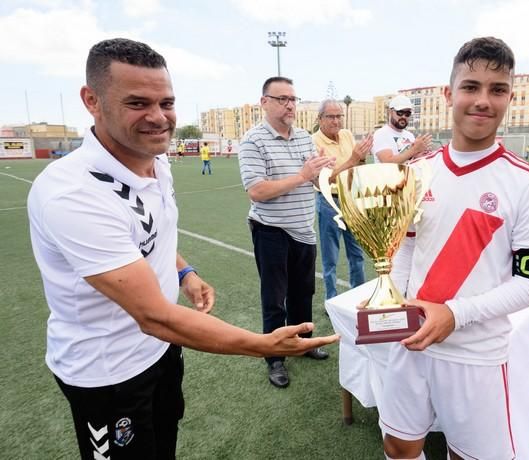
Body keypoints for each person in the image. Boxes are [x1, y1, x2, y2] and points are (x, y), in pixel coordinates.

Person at [27, 38, 337, 460]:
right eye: (138, 103)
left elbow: (148, 235)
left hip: (158, 353)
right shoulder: (72, 193)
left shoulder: (157, 162)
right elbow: (155, 317)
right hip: (107, 373)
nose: (158, 118)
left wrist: (184, 272)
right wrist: (263, 344)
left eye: (166, 102)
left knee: (165, 443)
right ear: (92, 100)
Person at [378, 37, 529, 460]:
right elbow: (406, 247)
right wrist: (394, 301)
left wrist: (456, 314)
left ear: (510, 96)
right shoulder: (418, 173)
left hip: (475, 355)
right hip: (412, 341)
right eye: (471, 86)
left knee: (466, 455)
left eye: (497, 90)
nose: (483, 101)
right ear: (448, 93)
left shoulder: (527, 183)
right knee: (399, 446)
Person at [238, 76, 337, 388]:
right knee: (274, 298)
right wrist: (302, 175)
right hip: (271, 231)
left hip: (303, 229)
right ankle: (275, 358)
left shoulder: (305, 138)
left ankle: (303, 342)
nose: (290, 105)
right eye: (282, 99)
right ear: (264, 102)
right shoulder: (253, 141)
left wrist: (320, 174)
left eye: (293, 99)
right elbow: (257, 191)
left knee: (302, 294)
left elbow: (312, 179)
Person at [312, 99, 373, 302]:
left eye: (339, 116)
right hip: (330, 201)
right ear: (320, 119)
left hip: (352, 199)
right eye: (331, 116)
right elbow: (324, 177)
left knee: (356, 254)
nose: (336, 121)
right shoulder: (314, 142)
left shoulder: (346, 135)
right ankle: (331, 300)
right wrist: (353, 159)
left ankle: (360, 296)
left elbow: (358, 165)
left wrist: (362, 156)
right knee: (330, 258)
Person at [372, 94, 432, 164]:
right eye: (400, 112)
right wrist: (414, 150)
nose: (404, 116)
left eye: (407, 113)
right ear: (390, 112)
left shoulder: (410, 135)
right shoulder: (381, 134)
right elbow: (388, 162)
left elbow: (411, 161)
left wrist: (419, 155)